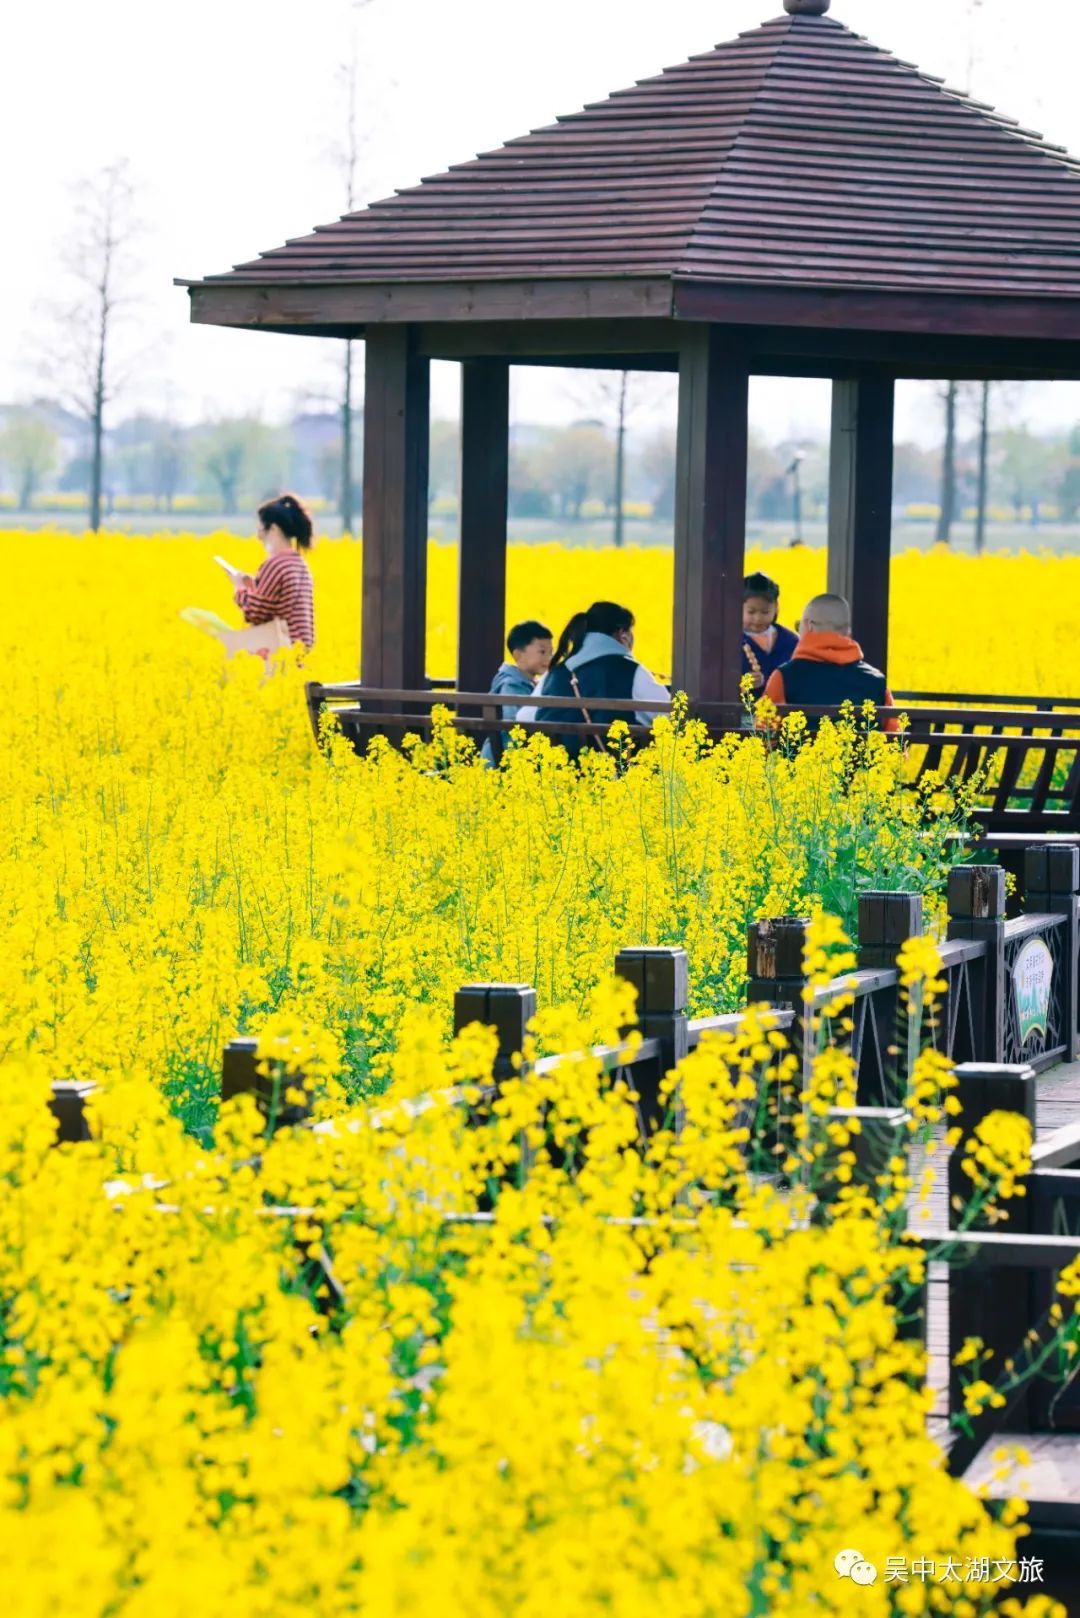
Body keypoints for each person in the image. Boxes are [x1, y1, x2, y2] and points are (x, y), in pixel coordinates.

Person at [519, 601, 670, 758]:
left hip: (557, 775)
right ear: (622, 634)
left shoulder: (556, 673)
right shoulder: (631, 671)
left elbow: (524, 717)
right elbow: (670, 717)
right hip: (615, 776)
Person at [764, 593, 899, 732]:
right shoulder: (877, 681)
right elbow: (895, 742)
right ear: (848, 631)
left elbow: (765, 735)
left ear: (809, 626)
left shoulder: (783, 677)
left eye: (799, 625)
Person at [233, 493, 316, 654]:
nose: (258, 533)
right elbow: (277, 605)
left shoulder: (275, 565)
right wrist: (254, 587)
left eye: (261, 527)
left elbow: (254, 613)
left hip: (278, 656)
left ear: (274, 529)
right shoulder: (299, 564)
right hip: (300, 655)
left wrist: (239, 588)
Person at [481, 620, 554, 763]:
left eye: (551, 653)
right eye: (542, 652)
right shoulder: (511, 684)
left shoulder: (527, 683)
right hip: (505, 758)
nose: (549, 658)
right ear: (518, 656)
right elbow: (515, 727)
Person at [741, 572, 799, 693]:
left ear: (776, 607)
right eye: (751, 612)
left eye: (765, 612)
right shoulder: (730, 641)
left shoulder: (790, 641)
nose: (758, 619)